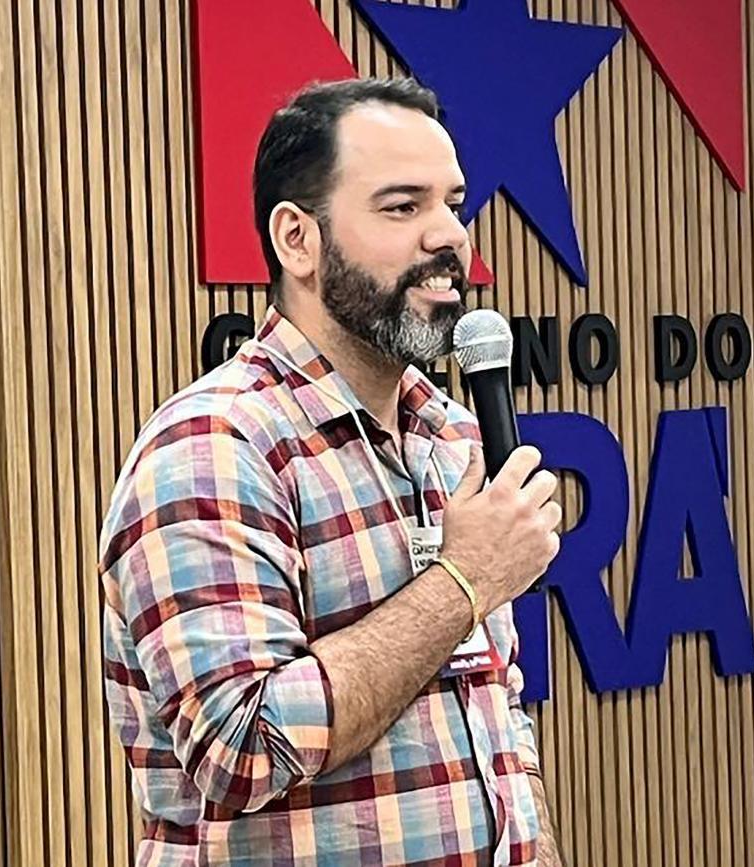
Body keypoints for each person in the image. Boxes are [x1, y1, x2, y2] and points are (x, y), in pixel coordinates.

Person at [100, 77, 564, 865]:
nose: (450, 235)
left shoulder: (452, 436)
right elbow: (240, 748)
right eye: (402, 206)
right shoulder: (214, 446)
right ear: (297, 240)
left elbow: (498, 717)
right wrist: (463, 581)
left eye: (453, 204)